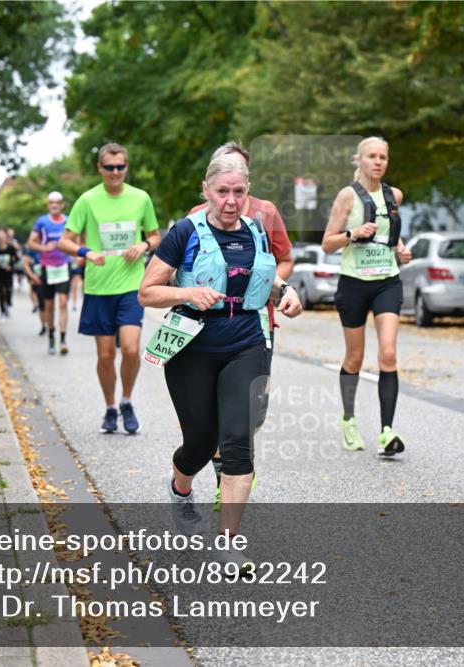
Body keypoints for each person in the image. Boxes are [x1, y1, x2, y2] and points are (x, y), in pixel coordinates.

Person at [139, 152, 302, 569]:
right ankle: (180, 488)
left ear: (248, 194)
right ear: (206, 191)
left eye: (239, 192)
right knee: (199, 444)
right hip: (191, 346)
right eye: (222, 192)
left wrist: (286, 291)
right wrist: (186, 293)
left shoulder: (256, 230)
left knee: (237, 443)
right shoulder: (184, 232)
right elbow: (147, 292)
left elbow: (264, 276)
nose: (231, 201)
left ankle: (228, 542)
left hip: (245, 343)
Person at [187, 142, 295, 508]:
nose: (231, 193)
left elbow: (285, 260)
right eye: (224, 176)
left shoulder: (266, 212)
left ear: (247, 179)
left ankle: (235, 460)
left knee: (254, 409)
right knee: (221, 409)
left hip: (257, 322)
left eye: (240, 177)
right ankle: (228, 473)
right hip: (207, 327)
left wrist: (272, 286)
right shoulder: (196, 216)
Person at [58, 142, 161, 434]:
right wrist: (86, 253)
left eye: (120, 167)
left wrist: (142, 244)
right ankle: (110, 407)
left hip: (131, 286)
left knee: (130, 349)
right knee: (105, 355)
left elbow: (155, 236)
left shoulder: (141, 198)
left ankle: (127, 401)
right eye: (110, 167)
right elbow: (65, 240)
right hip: (98, 287)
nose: (116, 172)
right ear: (100, 168)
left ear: (126, 167)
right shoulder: (87, 200)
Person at [321, 136, 412, 457]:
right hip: (354, 284)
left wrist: (400, 249)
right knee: (355, 357)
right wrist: (352, 234)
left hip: (387, 281)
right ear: (358, 160)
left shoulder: (394, 195)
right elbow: (327, 243)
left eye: (383, 157)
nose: (378, 162)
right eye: (371, 156)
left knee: (388, 354)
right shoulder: (347, 196)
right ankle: (348, 419)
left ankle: (387, 431)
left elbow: (391, 236)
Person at [29, 191, 72, 356]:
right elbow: (31, 242)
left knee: (62, 303)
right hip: (47, 268)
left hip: (63, 267)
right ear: (48, 204)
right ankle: (51, 336)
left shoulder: (68, 221)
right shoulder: (42, 222)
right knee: (49, 305)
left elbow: (76, 240)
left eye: (58, 202)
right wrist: (44, 248)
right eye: (51, 202)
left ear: (62, 205)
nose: (54, 205)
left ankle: (63, 339)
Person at [0, 229, 17, 320]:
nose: (0, 240)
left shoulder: (10, 248)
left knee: (9, 291)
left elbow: (15, 259)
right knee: (1, 293)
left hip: (8, 274)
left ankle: (8, 304)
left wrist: (11, 266)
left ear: (6, 238)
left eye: (2, 238)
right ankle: (2, 312)